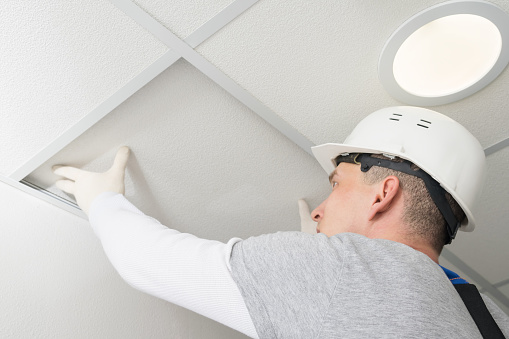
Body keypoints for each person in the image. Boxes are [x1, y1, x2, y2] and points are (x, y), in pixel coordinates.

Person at [53, 106, 509, 338]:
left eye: (336, 185)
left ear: (382, 194)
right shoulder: (487, 315)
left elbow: (146, 262)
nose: (317, 209)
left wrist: (104, 201)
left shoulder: (343, 267)